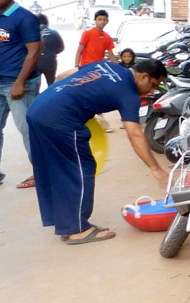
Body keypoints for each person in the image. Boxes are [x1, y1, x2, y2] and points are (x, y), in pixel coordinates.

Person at [28, 58, 169, 243]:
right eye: (153, 85)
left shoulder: (106, 65)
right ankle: (77, 229)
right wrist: (156, 169)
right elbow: (134, 133)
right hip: (61, 120)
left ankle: (65, 222)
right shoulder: (128, 93)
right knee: (80, 168)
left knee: (55, 167)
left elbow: (62, 76)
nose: (151, 91)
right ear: (144, 76)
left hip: (37, 109)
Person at [0, 0, 43, 187]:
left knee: (28, 129)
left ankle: (42, 173)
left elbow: (34, 52)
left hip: (19, 84)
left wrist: (19, 82)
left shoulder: (24, 18)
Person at [36, 13, 65, 86]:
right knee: (51, 83)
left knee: (35, 85)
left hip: (34, 63)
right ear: (46, 22)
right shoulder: (54, 33)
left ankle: (37, 97)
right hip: (50, 61)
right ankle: (51, 97)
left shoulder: (31, 33)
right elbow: (61, 48)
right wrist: (51, 52)